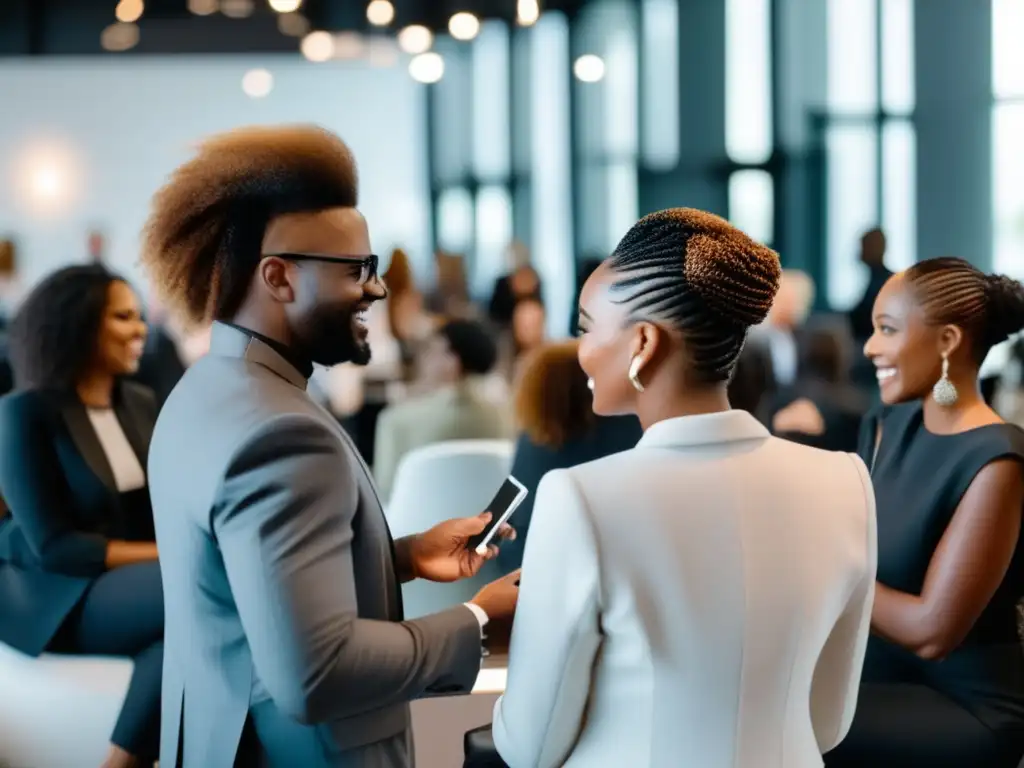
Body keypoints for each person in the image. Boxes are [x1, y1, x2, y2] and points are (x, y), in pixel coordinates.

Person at [140, 125, 520, 768]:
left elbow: (244, 586)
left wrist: (399, 557)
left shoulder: (203, 392)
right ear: (279, 277)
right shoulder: (283, 432)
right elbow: (315, 673)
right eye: (357, 271)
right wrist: (478, 624)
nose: (377, 289)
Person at [487, 209, 876, 767]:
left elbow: (529, 744)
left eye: (585, 326)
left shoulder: (581, 498)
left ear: (642, 342)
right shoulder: (846, 482)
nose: (580, 350)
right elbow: (828, 721)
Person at [825, 257, 1024, 767]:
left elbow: (933, 631)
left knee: (786, 720)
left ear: (947, 341)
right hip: (875, 677)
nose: (869, 346)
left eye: (886, 329)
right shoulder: (885, 422)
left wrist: (820, 572)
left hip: (963, 706)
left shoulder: (997, 460)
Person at [0, 265, 162, 768]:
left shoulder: (139, 401)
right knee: (199, 591)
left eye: (140, 316)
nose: (141, 329)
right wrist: (172, 554)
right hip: (53, 592)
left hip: (128, 580)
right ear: (80, 324)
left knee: (182, 636)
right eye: (123, 317)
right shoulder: (24, 413)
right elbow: (57, 547)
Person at [496, 340, 641, 574]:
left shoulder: (534, 443)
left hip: (533, 573)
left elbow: (501, 517)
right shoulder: (633, 430)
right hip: (618, 573)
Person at [374, 319, 512, 501]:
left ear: (452, 362)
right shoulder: (505, 416)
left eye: (431, 351)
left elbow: (384, 494)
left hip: (417, 527)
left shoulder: (396, 421)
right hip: (488, 522)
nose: (422, 359)